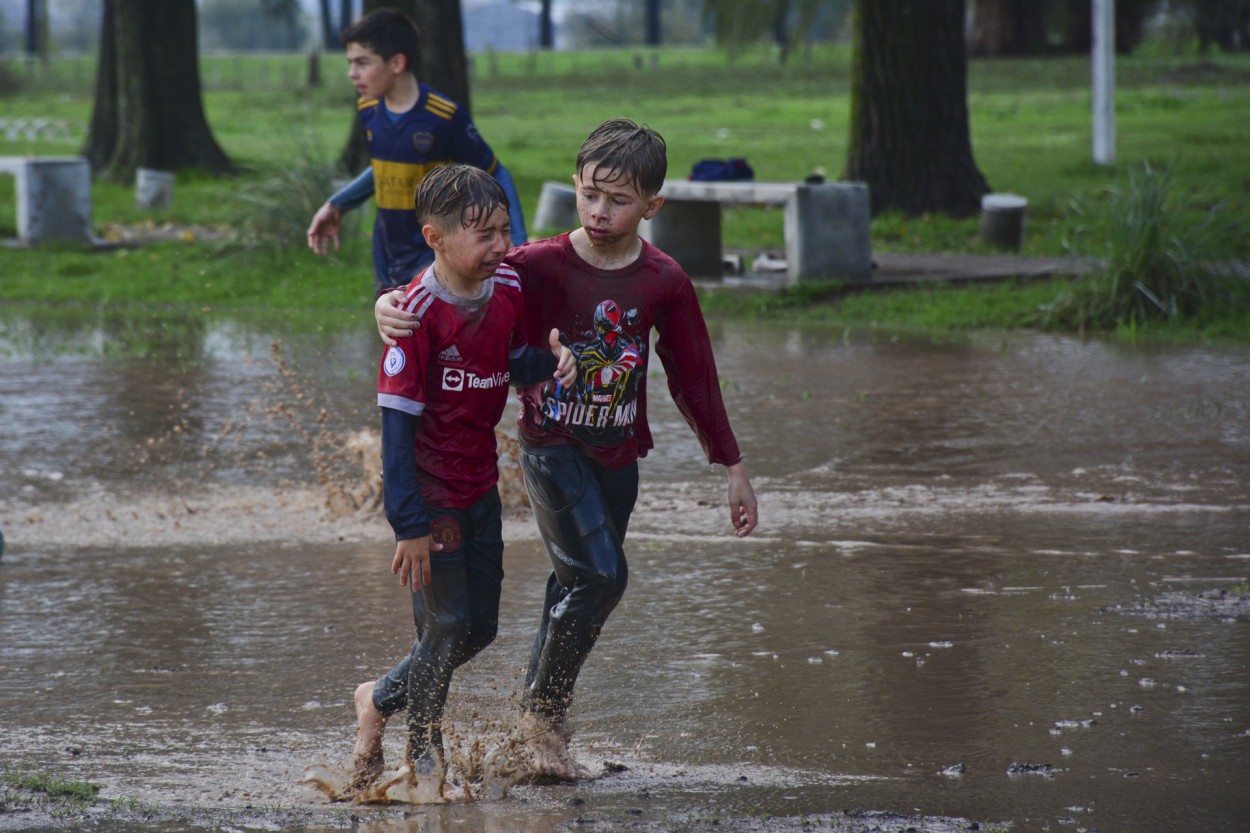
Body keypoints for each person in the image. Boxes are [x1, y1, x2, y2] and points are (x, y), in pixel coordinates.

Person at [373, 119, 759, 781]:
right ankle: (542, 715)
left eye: (617, 200)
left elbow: (694, 373)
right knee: (604, 577)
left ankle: (534, 720)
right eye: (588, 194)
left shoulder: (664, 279)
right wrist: (387, 305)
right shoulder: (535, 263)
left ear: (651, 206)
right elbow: (453, 278)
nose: (600, 211)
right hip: (551, 446)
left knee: (577, 582)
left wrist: (733, 465)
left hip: (620, 455)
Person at [356, 163, 573, 802]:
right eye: (483, 235)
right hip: (430, 495)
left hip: (481, 486)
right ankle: (423, 764)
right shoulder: (413, 317)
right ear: (435, 238)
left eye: (504, 230)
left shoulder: (505, 287)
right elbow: (394, 438)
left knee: (480, 630)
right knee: (445, 627)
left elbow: (507, 360)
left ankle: (377, 698)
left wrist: (551, 362)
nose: (500, 246)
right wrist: (410, 525)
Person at [306, 8, 527, 296]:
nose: (352, 73)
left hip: (433, 254)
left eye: (362, 63)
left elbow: (495, 172)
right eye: (350, 63)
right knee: (393, 334)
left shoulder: (444, 117)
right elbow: (384, 169)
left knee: (431, 335)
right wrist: (336, 205)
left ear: (397, 63)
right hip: (386, 257)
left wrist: (519, 247)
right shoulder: (368, 110)